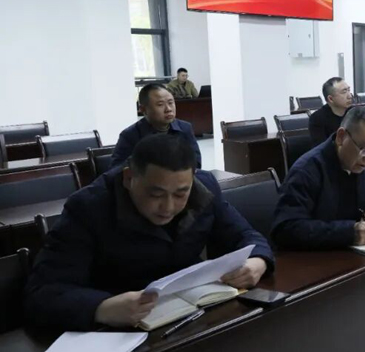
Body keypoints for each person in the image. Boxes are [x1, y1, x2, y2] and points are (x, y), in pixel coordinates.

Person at [24, 135, 274, 331]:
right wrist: (101, 307)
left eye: (180, 194)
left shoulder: (204, 189)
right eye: (155, 194)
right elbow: (43, 292)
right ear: (128, 178)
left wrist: (257, 262)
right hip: (123, 330)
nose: (168, 207)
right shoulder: (88, 208)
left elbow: (247, 236)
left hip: (192, 319)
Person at [271, 106, 365, 250]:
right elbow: (286, 228)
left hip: (361, 252)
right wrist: (348, 232)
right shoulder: (307, 170)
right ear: (341, 137)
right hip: (317, 256)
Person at [111, 84, 201, 169]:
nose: (168, 109)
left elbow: (196, 162)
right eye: (160, 104)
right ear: (143, 109)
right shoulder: (130, 135)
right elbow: (115, 170)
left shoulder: (184, 128)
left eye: (170, 103)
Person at [309, 77, 353, 146]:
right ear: (331, 99)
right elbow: (321, 148)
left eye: (349, 90)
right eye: (344, 92)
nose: (350, 96)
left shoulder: (353, 112)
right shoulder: (317, 119)